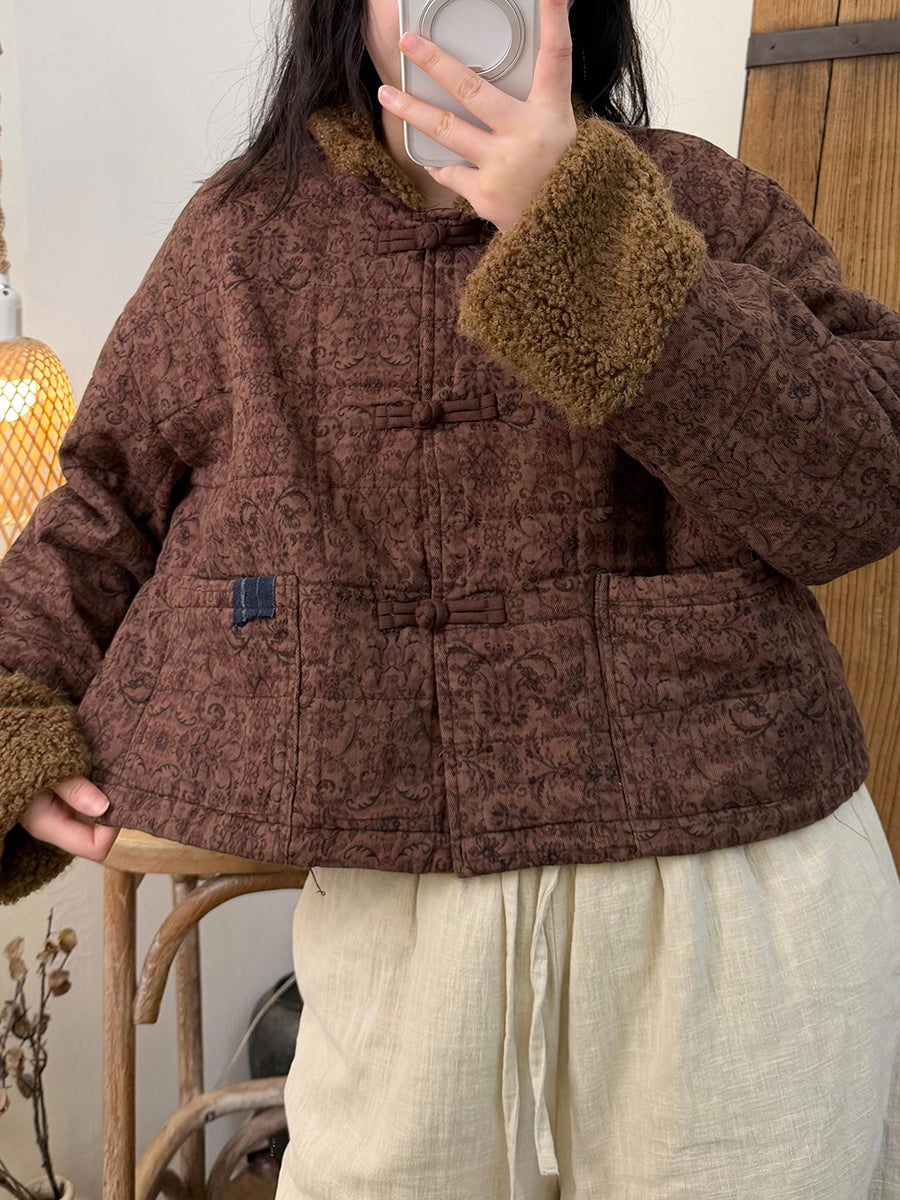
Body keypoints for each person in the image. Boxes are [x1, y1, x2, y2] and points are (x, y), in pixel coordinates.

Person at [0, 0, 899, 1194]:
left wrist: (582, 232)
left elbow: (862, 483)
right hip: (402, 925)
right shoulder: (244, 240)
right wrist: (14, 705)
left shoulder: (694, 196)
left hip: (736, 912)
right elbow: (104, 500)